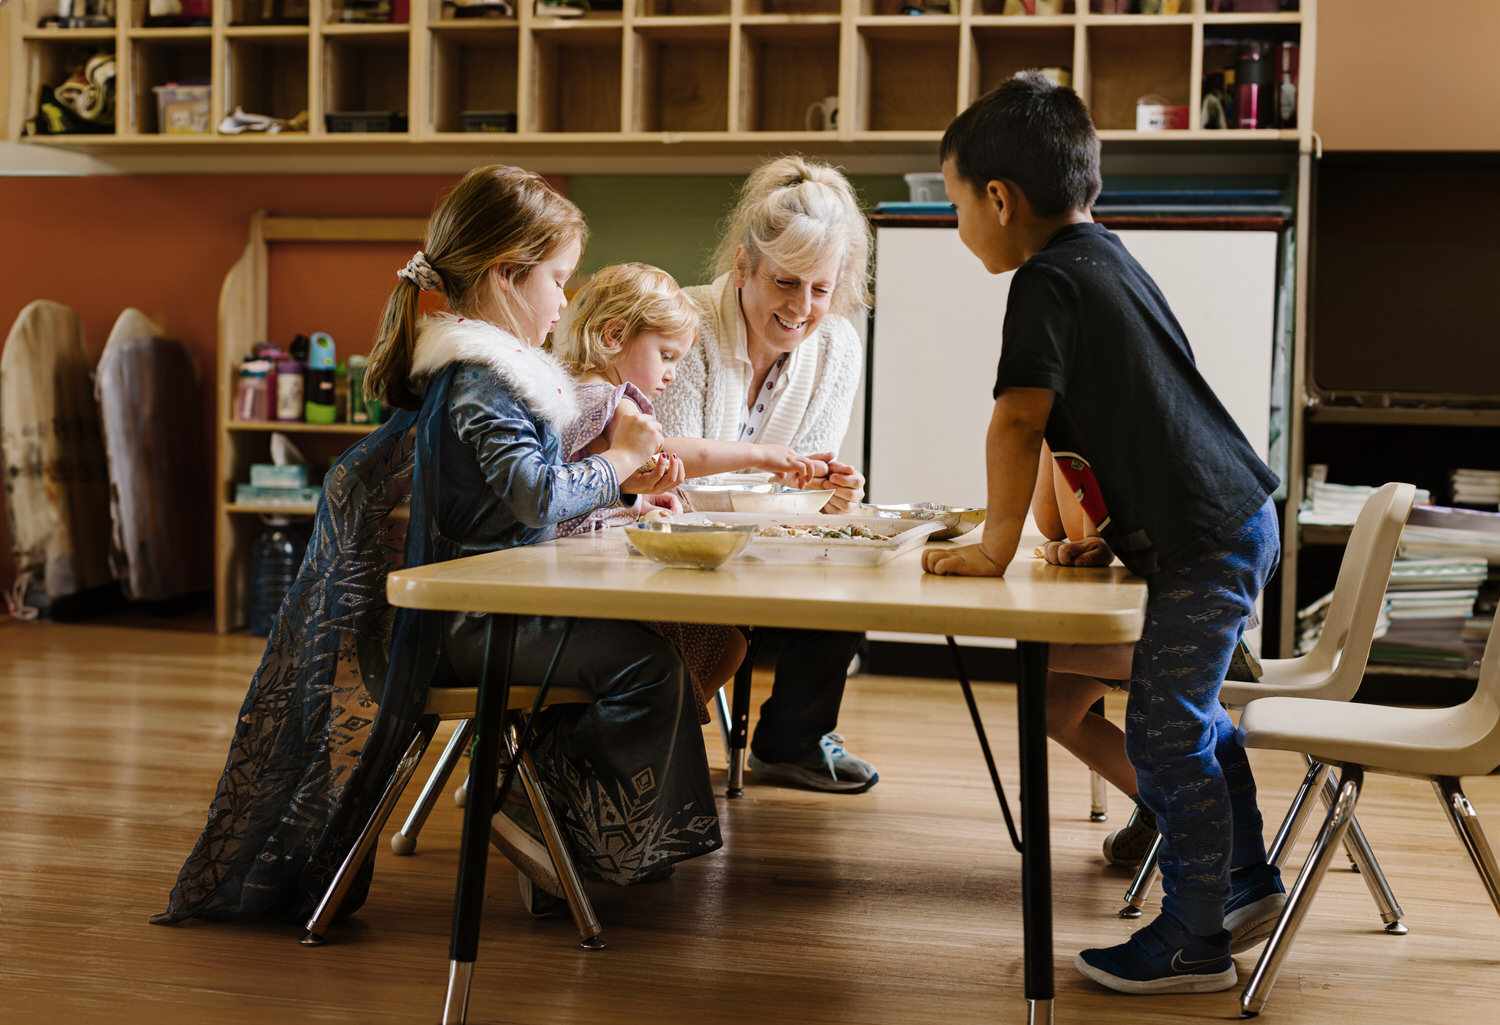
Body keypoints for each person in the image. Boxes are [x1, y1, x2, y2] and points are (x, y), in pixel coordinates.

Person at [151, 166, 721, 928]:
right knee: (651, 667)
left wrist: (622, 492)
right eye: (557, 280)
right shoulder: (482, 379)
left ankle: (567, 827)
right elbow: (536, 495)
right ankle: (535, 818)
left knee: (656, 650)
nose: (564, 300)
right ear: (506, 275)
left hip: (489, 609)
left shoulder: (492, 372)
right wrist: (617, 461)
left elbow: (513, 502)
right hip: (467, 625)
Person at [926, 72, 1287, 996]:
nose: (958, 226)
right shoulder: (1107, 259)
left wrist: (994, 547)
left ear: (999, 199)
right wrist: (1116, 532)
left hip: (1206, 536)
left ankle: (1196, 939)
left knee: (1166, 732)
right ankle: (1243, 880)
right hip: (1228, 517)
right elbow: (1132, 418)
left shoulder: (1045, 279)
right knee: (1191, 719)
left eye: (956, 205)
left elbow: (1020, 420)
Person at [655, 155, 878, 794]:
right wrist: (782, 491)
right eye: (786, 281)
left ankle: (792, 743)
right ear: (743, 266)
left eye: (821, 289)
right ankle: (641, 753)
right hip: (672, 544)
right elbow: (673, 479)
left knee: (854, 548)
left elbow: (802, 481)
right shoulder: (686, 326)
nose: (802, 307)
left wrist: (829, 494)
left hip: (765, 542)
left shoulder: (837, 345)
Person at [549, 261, 819, 721]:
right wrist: (759, 455)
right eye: (666, 355)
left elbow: (602, 481)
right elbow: (666, 452)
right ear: (614, 336)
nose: (672, 373)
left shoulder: (572, 392)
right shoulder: (611, 401)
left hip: (579, 571)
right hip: (591, 581)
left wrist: (640, 500)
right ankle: (650, 731)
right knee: (727, 642)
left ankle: (651, 731)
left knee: (727, 643)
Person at [1032, 443, 1158, 868]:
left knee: (1051, 647)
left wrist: (1089, 542)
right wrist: (1046, 441)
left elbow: (1095, 539)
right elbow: (1051, 526)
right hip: (1148, 606)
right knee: (1051, 709)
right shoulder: (1067, 434)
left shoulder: (1105, 429)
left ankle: (1185, 813)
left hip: (1196, 620)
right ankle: (1162, 810)